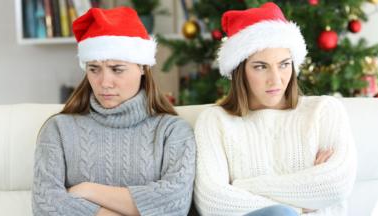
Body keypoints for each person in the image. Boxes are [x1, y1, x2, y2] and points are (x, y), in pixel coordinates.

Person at [193, 2, 356, 216]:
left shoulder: (324, 111)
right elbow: (212, 203)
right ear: (240, 70)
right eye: (261, 67)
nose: (276, 79)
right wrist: (301, 205)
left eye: (284, 64)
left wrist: (242, 186)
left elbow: (335, 185)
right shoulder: (215, 121)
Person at [32, 7, 196, 216]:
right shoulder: (58, 129)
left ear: (143, 67)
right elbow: (45, 206)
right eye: (94, 69)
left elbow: (175, 205)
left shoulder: (172, 131)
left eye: (117, 69)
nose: (104, 83)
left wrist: (88, 190)